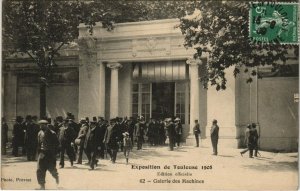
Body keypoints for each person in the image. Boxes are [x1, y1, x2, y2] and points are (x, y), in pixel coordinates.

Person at [36, 119, 59, 190]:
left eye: (42, 125)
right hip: (42, 154)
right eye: (40, 125)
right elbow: (38, 144)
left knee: (51, 169)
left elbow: (57, 144)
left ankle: (56, 177)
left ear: (46, 125)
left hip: (50, 154)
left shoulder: (52, 133)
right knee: (40, 170)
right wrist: (39, 153)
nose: (40, 126)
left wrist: (54, 154)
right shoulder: (39, 133)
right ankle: (42, 185)